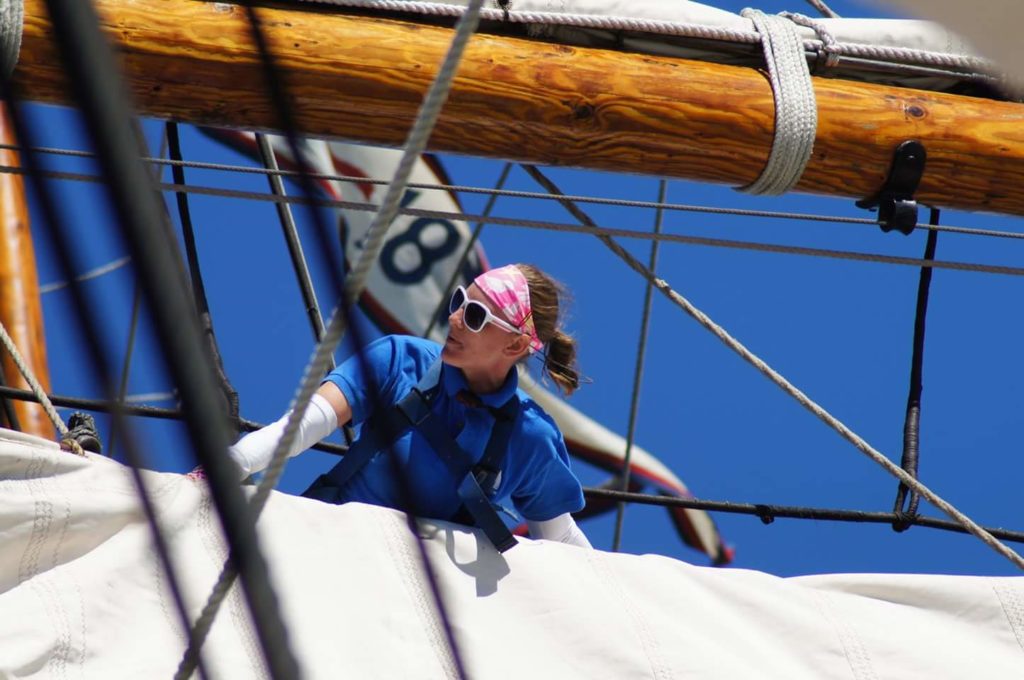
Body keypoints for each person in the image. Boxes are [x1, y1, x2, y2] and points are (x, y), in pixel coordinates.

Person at [226, 264, 592, 548]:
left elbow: (560, 544)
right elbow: (302, 426)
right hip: (326, 545)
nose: (454, 319)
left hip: (414, 610)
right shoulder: (399, 360)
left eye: (475, 316)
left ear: (514, 347)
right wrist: (234, 462)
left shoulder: (530, 437)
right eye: (459, 302)